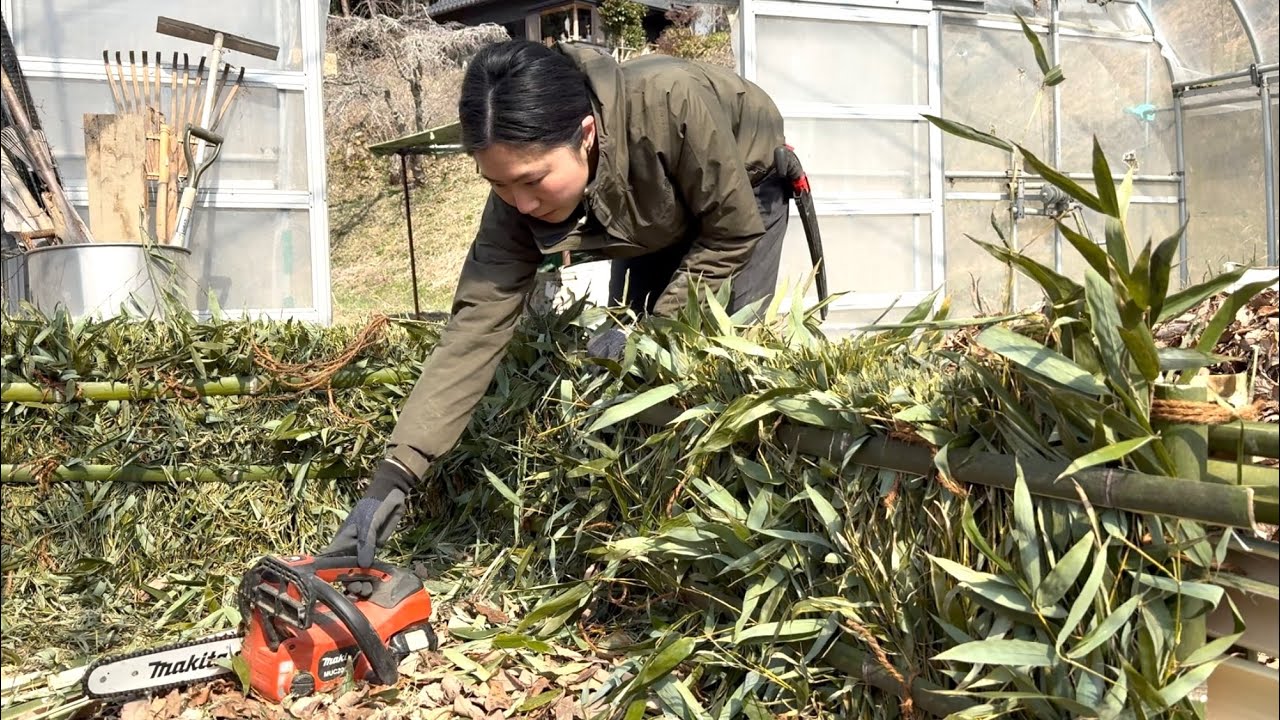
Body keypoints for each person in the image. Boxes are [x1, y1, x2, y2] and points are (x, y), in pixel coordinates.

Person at [323, 39, 792, 567]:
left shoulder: (670, 100)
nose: (521, 203)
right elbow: (475, 326)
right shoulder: (519, 195)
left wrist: (653, 331)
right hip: (642, 206)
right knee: (628, 380)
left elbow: (729, 234)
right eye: (497, 184)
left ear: (585, 136)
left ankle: (732, 545)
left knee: (708, 370)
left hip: (741, 197)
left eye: (532, 180)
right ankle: (630, 545)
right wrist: (393, 478)